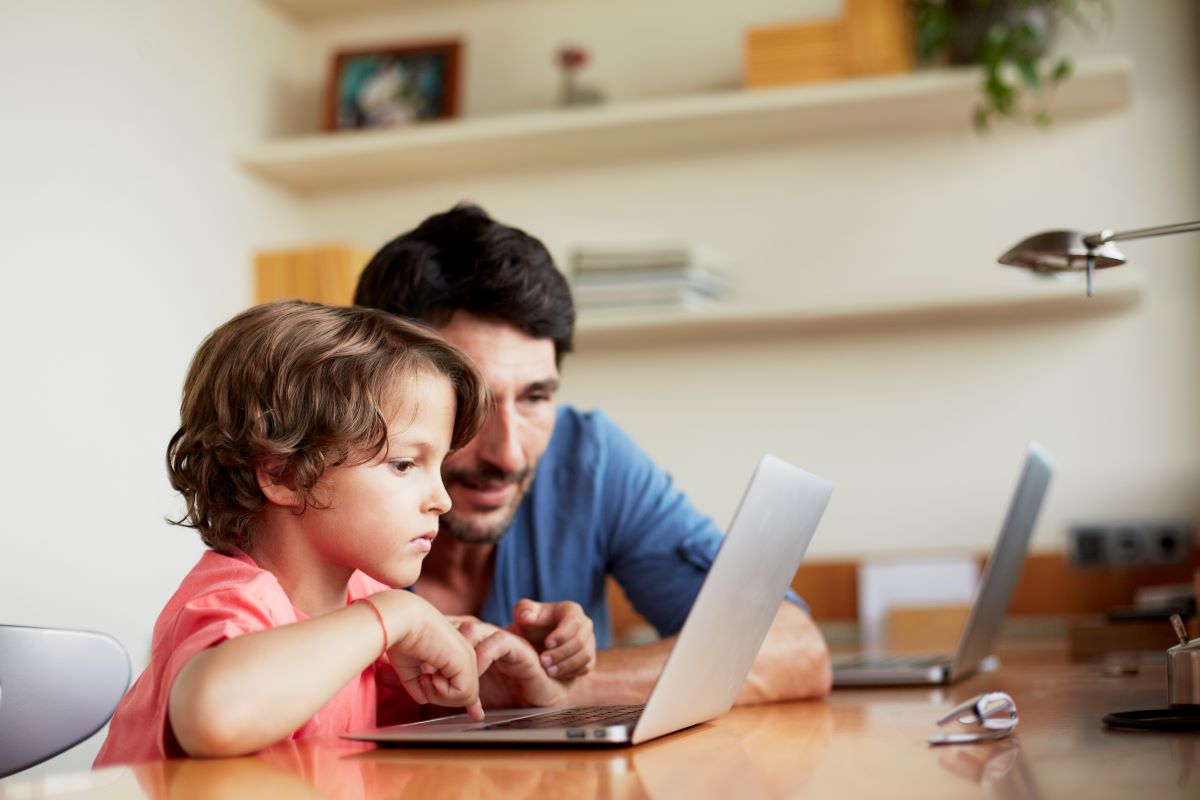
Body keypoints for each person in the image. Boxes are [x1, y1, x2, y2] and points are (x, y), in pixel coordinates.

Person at [354, 204, 832, 704]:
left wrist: (552, 687)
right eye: (469, 402)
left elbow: (793, 648)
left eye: (535, 397)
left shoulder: (588, 459)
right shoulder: (322, 487)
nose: (510, 455)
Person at [95, 301, 590, 766]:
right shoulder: (235, 601)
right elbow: (213, 715)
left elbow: (401, 720)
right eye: (404, 464)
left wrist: (488, 686)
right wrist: (393, 617)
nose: (441, 498)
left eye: (438, 466)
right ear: (286, 475)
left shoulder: (360, 602)